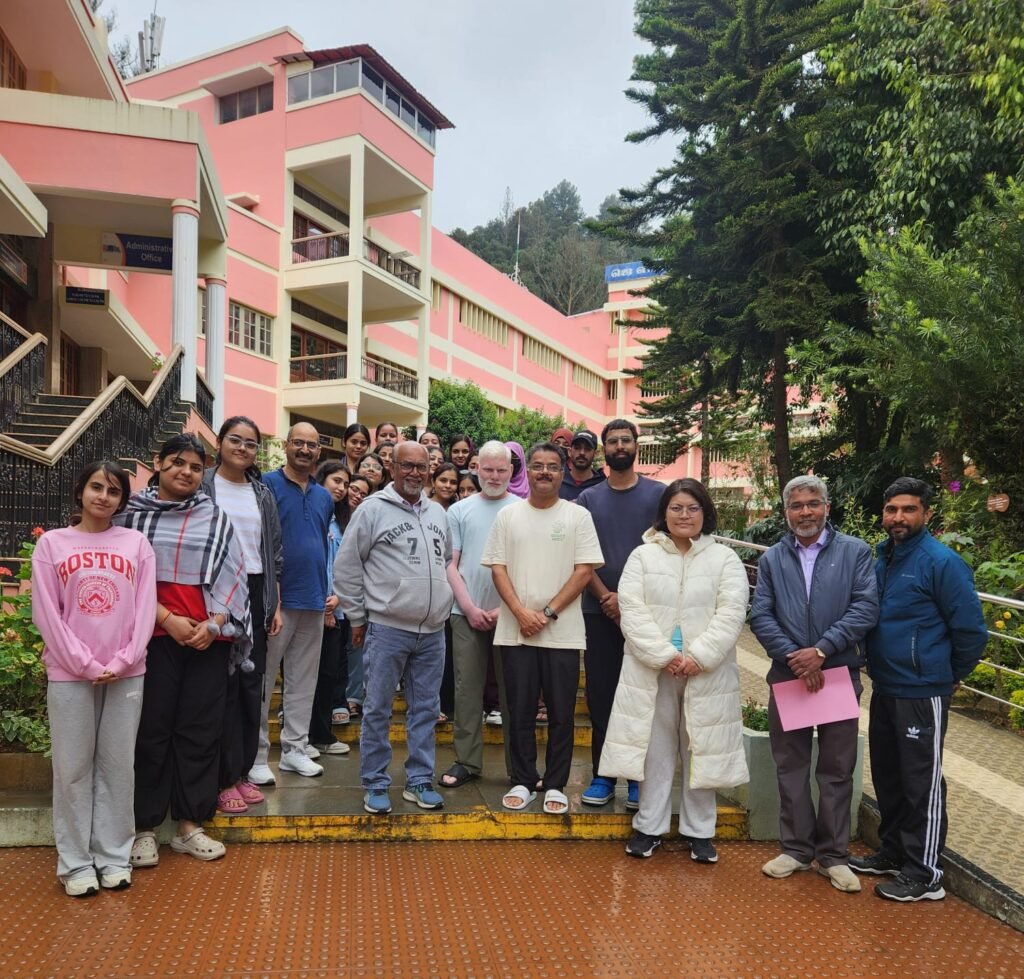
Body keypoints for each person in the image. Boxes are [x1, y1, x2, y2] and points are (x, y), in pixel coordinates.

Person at [851, 477, 987, 902]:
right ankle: (893, 851)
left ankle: (925, 873)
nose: (898, 517)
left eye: (908, 509)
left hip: (922, 691)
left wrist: (948, 675)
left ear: (927, 513)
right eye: (892, 509)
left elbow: (971, 631)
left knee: (920, 782)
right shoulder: (884, 558)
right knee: (889, 776)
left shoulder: (941, 562)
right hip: (886, 685)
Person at [118, 435, 251, 866]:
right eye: (177, 462)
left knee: (201, 730)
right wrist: (166, 619)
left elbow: (235, 576)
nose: (186, 472)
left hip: (209, 639)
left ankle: (190, 825)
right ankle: (145, 828)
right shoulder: (129, 517)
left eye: (195, 467)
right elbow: (125, 580)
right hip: (153, 638)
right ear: (157, 463)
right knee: (151, 731)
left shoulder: (215, 517)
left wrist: (215, 624)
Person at [602, 479, 749, 862]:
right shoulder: (642, 557)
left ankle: (699, 832)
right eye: (676, 508)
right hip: (654, 670)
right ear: (664, 513)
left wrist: (699, 656)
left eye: (693, 508)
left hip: (706, 671)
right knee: (656, 750)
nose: (684, 515)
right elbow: (631, 611)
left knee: (701, 747)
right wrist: (665, 655)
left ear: (706, 512)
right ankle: (648, 827)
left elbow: (732, 612)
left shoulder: (725, 559)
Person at [32, 461, 157, 897]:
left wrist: (123, 660)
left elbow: (145, 609)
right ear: (81, 491)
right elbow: (47, 613)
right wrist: (83, 663)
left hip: (126, 674)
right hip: (70, 675)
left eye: (113, 491)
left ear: (122, 500)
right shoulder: (52, 544)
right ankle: (76, 863)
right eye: (96, 487)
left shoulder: (137, 544)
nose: (103, 496)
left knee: (118, 767)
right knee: (71, 769)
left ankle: (113, 857)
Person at [750, 475, 879, 893]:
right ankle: (796, 849)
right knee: (790, 766)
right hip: (789, 676)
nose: (805, 512)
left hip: (837, 674)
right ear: (786, 511)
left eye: (813, 503)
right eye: (797, 505)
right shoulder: (772, 559)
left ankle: (834, 856)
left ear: (827, 507)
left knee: (837, 768)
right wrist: (796, 657)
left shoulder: (855, 552)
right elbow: (761, 614)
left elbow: (865, 607)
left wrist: (822, 650)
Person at [482, 442, 604, 814]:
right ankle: (522, 779)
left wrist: (547, 613)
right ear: (528, 471)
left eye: (552, 466)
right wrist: (521, 613)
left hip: (562, 634)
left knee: (562, 713)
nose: (545, 472)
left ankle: (554, 784)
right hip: (515, 631)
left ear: (562, 473)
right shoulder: (508, 516)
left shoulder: (578, 516)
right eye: (537, 465)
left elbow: (584, 571)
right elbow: (498, 568)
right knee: (518, 710)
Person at [335, 441, 454, 815]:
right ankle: (374, 782)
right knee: (377, 709)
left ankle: (419, 781)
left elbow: (445, 560)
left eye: (422, 466)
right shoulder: (372, 510)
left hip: (433, 631)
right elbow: (347, 567)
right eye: (407, 465)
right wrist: (357, 617)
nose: (415, 473)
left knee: (426, 710)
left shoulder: (438, 513)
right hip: (387, 628)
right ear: (393, 468)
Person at [576, 419, 663, 811]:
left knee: (644, 696)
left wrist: (628, 602)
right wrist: (606, 597)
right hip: (598, 611)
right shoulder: (588, 500)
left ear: (636, 446)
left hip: (648, 614)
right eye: (613, 441)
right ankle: (604, 775)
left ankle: (639, 778)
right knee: (602, 696)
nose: (620, 446)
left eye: (626, 440)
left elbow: (666, 551)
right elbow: (580, 557)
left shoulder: (659, 496)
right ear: (604, 449)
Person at [201, 417, 283, 816]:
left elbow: (274, 554)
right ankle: (221, 777)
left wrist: (274, 604)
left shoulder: (262, 494)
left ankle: (242, 771)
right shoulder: (202, 485)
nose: (243, 448)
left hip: (256, 590)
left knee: (252, 688)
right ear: (219, 443)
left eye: (251, 444)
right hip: (213, 590)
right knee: (219, 687)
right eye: (235, 440)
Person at [250, 422, 334, 783]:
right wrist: (273, 597)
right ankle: (256, 756)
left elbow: (322, 544)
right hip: (277, 602)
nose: (304, 450)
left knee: (303, 681)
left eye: (311, 445)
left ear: (319, 452)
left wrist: (329, 590)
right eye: (298, 443)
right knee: (264, 681)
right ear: (286, 445)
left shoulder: (324, 496)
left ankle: (295, 750)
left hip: (314, 599)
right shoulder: (266, 485)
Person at [440, 442, 518, 790]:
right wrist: (469, 607)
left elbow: (526, 567)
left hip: (512, 614)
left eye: (501, 470)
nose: (495, 476)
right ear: (477, 469)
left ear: (511, 471)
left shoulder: (522, 509)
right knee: (466, 690)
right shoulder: (459, 510)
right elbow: (450, 564)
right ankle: (467, 761)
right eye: (488, 469)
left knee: (514, 691)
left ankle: (520, 767)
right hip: (464, 612)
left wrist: (507, 608)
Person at [309, 461, 352, 756]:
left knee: (328, 676)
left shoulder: (341, 521)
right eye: (336, 481)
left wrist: (338, 599)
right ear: (321, 479)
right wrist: (325, 605)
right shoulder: (314, 516)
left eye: (345, 484)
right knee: (306, 676)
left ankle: (321, 735)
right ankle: (302, 737)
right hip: (310, 608)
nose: (341, 488)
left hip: (336, 609)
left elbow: (346, 567)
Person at [338, 473, 373, 722]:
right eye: (354, 488)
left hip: (357, 596)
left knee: (355, 649)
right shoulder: (330, 517)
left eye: (364, 493)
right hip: (330, 597)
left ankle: (353, 698)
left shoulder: (367, 518)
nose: (357, 495)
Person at [559, 429, 606, 501]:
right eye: (577, 448)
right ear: (569, 452)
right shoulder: (557, 480)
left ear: (595, 454)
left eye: (587, 449)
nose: (582, 453)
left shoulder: (601, 485)